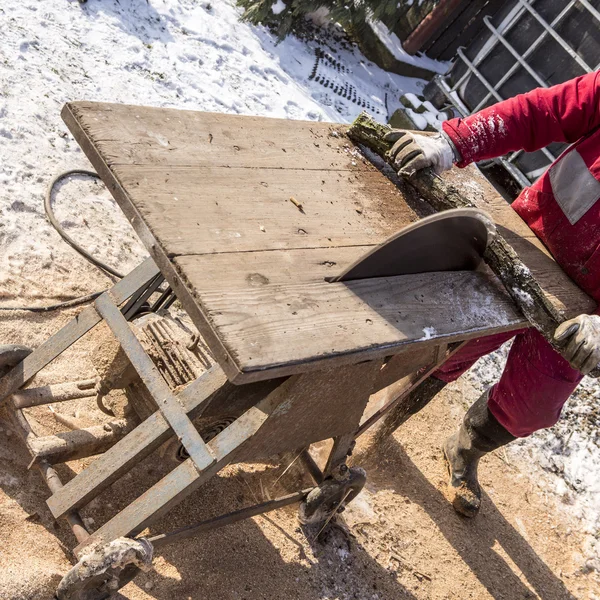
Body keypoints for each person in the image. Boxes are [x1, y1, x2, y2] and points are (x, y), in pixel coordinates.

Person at [382, 71, 600, 518]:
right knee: (448, 345)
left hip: (588, 317)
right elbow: (541, 111)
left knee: (530, 409)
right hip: (526, 244)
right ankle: (378, 429)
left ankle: (465, 449)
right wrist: (453, 143)